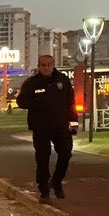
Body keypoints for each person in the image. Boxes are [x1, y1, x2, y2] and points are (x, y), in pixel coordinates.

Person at [15, 55, 80, 201]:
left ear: (53, 65)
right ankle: (44, 190)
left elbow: (71, 102)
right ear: (39, 66)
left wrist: (74, 123)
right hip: (41, 127)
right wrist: (37, 102)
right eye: (43, 65)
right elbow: (21, 101)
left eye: (49, 65)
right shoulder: (32, 83)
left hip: (60, 126)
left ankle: (56, 182)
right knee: (43, 159)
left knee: (65, 154)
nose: (46, 67)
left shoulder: (62, 80)